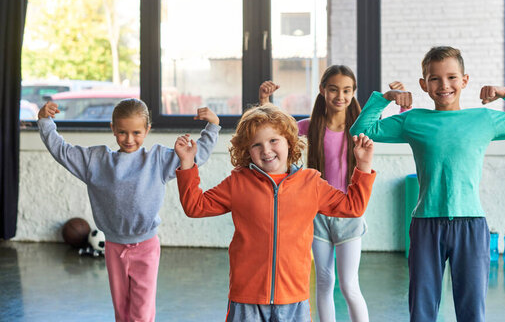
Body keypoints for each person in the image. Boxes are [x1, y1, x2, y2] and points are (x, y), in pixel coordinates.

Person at [349, 46, 505, 322]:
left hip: (471, 224)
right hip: (425, 225)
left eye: (452, 77)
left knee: (471, 311)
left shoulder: (483, 119)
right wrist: (386, 98)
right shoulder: (413, 119)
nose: (444, 85)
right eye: (435, 79)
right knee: (422, 309)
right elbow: (361, 130)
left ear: (465, 80)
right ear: (424, 84)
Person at [173, 103, 376, 322]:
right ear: (247, 151)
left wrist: (363, 165)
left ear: (289, 142)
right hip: (246, 298)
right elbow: (195, 206)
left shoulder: (311, 183)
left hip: (294, 298)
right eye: (256, 145)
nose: (266, 150)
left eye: (273, 141)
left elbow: (353, 207)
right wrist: (187, 163)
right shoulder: (238, 182)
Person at [37, 99, 220, 322]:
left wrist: (212, 127)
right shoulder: (96, 161)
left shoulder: (158, 160)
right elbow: (62, 151)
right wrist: (45, 122)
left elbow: (195, 157)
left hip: (146, 247)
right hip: (114, 246)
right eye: (122, 132)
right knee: (122, 310)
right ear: (113, 129)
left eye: (136, 132)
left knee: (141, 312)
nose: (129, 139)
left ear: (147, 130)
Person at [258, 66, 404, 322]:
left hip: (349, 215)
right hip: (317, 215)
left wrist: (401, 103)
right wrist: (265, 102)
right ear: (322, 90)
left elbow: (402, 127)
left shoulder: (363, 127)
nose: (340, 96)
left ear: (353, 93)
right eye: (334, 89)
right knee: (324, 283)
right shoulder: (311, 126)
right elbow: (276, 130)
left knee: (349, 285)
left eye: (347, 90)